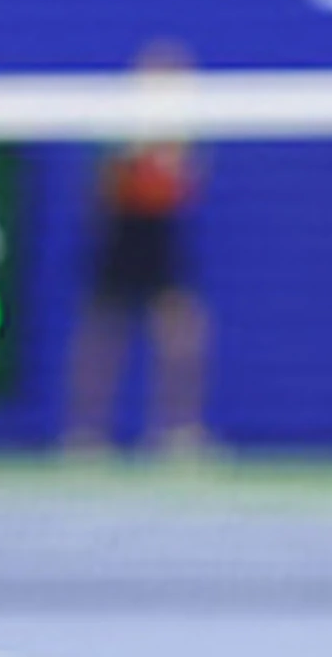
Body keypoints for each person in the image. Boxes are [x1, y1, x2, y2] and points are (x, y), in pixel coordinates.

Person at [62, 39, 212, 458]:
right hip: (121, 234)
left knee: (182, 332)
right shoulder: (118, 123)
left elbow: (190, 184)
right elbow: (100, 187)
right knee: (103, 332)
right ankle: (86, 433)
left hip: (162, 235)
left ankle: (179, 430)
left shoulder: (186, 129)